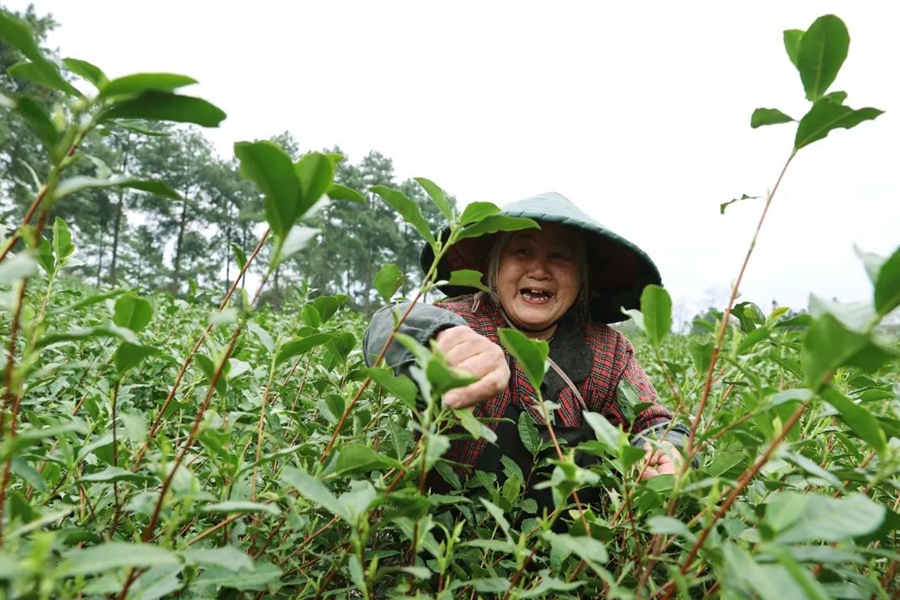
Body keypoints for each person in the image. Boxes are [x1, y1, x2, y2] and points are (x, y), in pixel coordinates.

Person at [363, 192, 688, 509]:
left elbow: (655, 424)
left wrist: (666, 450)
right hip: (450, 531)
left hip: (574, 536)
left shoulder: (608, 350)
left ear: (582, 276)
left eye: (559, 256)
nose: (539, 270)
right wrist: (437, 340)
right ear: (494, 266)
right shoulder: (460, 321)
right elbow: (388, 324)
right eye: (522, 251)